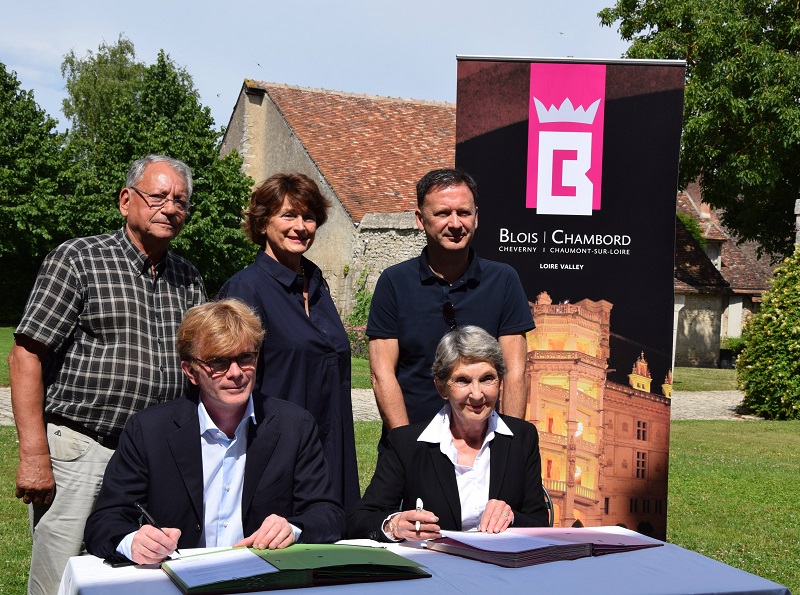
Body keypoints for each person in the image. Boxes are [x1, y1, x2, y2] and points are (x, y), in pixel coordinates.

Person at [9, 155, 206, 595]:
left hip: (156, 457)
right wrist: (35, 453)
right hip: (84, 448)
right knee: (63, 574)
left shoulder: (188, 279)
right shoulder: (78, 259)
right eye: (158, 196)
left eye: (180, 201)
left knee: (146, 572)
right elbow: (26, 355)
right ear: (126, 201)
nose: (170, 208)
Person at [84, 299, 345, 563]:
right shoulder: (150, 431)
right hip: (176, 577)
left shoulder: (293, 426)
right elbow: (104, 521)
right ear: (190, 371)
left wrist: (291, 528)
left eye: (246, 358)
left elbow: (327, 513)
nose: (236, 373)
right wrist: (133, 542)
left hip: (263, 576)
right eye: (218, 362)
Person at [218, 173, 359, 513]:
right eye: (289, 215)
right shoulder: (245, 291)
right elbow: (226, 387)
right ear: (264, 222)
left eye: (309, 217)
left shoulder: (318, 286)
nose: (301, 226)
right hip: (276, 453)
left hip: (331, 447)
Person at [367, 168, 534, 448]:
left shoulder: (504, 280)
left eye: (464, 213)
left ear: (476, 217)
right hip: (412, 440)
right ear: (420, 220)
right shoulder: (394, 282)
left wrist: (509, 447)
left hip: (483, 447)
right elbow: (381, 374)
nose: (455, 224)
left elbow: (516, 372)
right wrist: (407, 446)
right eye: (443, 213)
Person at [348, 326, 548, 541]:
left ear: (500, 382)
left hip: (502, 568)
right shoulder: (407, 444)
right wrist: (394, 525)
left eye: (487, 379)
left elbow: (540, 525)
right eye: (463, 381)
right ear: (442, 388)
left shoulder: (522, 437)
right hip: (432, 568)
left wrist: (511, 518)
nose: (477, 394)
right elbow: (359, 521)